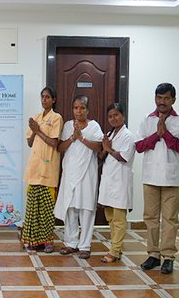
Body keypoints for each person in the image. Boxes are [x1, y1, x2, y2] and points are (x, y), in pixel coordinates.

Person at [136, 83, 179, 274]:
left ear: (173, 99)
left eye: (166, 98)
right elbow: (139, 146)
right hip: (150, 177)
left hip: (171, 178)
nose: (162, 102)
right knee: (150, 218)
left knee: (170, 219)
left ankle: (168, 257)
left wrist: (164, 133)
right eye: (159, 98)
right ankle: (153, 254)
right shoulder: (147, 119)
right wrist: (155, 136)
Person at [54, 95, 103, 259]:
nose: (78, 111)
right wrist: (72, 137)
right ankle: (70, 243)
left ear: (87, 110)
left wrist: (81, 137)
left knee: (86, 209)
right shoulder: (68, 125)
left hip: (87, 174)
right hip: (70, 173)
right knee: (71, 209)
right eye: (76, 107)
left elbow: (98, 147)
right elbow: (60, 148)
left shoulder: (94, 126)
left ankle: (85, 245)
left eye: (82, 108)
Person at [21, 86, 63, 252]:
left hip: (48, 169)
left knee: (46, 210)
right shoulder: (37, 117)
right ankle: (33, 241)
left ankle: (47, 242)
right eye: (42, 97)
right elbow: (30, 143)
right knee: (33, 208)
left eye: (47, 97)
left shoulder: (56, 118)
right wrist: (33, 131)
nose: (44, 100)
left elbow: (54, 143)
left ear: (53, 100)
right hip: (34, 169)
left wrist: (38, 130)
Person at [98, 103, 135, 263]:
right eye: (110, 116)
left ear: (123, 116)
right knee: (110, 218)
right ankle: (115, 248)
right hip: (108, 181)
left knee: (119, 220)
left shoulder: (128, 135)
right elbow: (101, 157)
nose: (113, 118)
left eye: (116, 115)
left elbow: (124, 157)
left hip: (120, 181)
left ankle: (115, 250)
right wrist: (105, 148)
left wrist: (109, 149)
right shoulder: (109, 134)